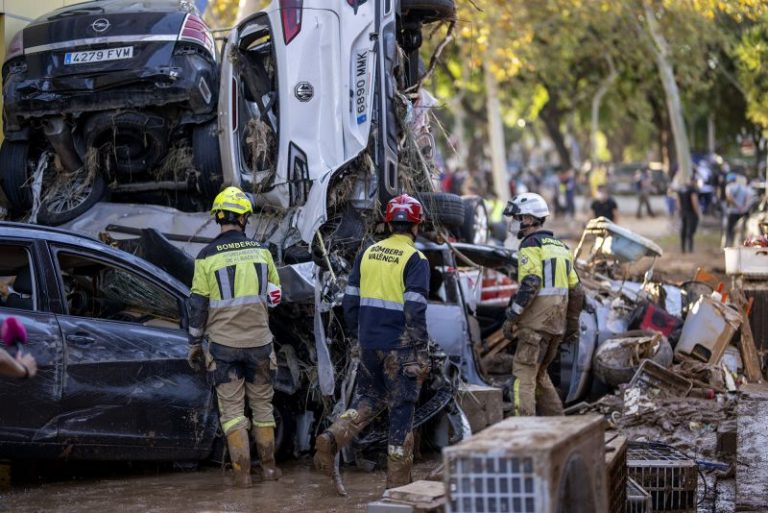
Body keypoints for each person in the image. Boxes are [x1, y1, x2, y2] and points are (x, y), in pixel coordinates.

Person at [314, 193, 430, 489]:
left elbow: (349, 301)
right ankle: (397, 486)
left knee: (368, 399)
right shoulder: (416, 259)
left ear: (389, 223)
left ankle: (333, 436)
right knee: (402, 410)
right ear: (416, 225)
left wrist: (357, 336)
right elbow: (414, 309)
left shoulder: (368, 253)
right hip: (400, 348)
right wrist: (420, 351)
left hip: (369, 343)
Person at [187, 186, 282, 487]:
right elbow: (276, 298)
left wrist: (193, 343)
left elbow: (197, 305)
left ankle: (242, 477)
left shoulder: (205, 257)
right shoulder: (263, 252)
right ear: (243, 219)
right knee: (263, 407)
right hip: (260, 344)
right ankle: (268, 469)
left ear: (218, 217)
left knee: (231, 413)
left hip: (224, 347)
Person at [502, 193, 584, 416]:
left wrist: (512, 316)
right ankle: (559, 423)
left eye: (517, 217)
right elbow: (577, 291)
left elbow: (531, 282)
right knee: (540, 374)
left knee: (523, 376)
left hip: (535, 327)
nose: (514, 222)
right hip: (555, 328)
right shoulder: (561, 247)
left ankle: (523, 429)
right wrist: (572, 324)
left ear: (529, 219)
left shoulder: (530, 244)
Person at [723, 174, 755, 247]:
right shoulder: (746, 189)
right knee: (741, 230)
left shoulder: (730, 187)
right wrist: (743, 208)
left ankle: (728, 245)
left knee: (729, 229)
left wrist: (737, 205)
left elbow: (729, 197)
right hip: (742, 213)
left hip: (732, 212)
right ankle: (738, 246)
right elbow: (748, 200)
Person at [677, 177, 701, 254]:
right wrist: (697, 212)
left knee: (683, 230)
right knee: (690, 231)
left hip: (683, 213)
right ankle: (690, 249)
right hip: (691, 213)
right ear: (694, 181)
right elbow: (694, 201)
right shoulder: (692, 190)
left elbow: (678, 202)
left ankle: (683, 248)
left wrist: (680, 211)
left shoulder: (681, 189)